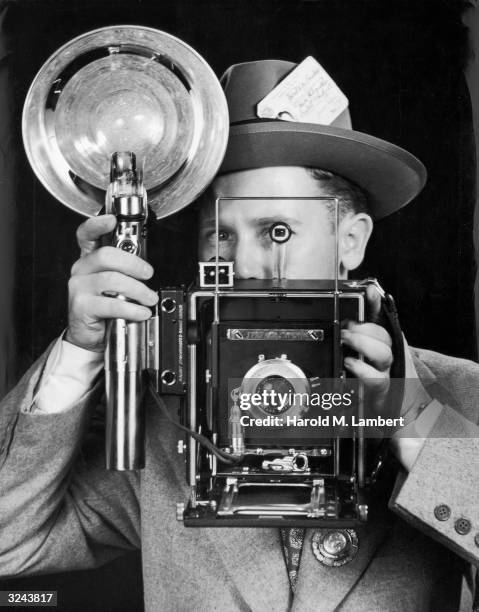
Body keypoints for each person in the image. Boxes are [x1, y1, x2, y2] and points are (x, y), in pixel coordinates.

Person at [1, 59, 478, 612]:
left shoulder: (459, 395)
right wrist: (82, 348)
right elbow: (10, 545)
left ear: (351, 241)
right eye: (220, 234)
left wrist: (405, 418)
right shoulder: (164, 416)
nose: (245, 263)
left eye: (278, 230)